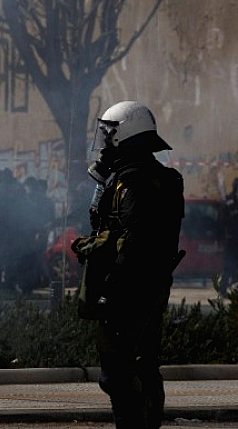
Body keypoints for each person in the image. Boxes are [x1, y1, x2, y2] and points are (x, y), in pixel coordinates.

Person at [81, 101, 184, 429]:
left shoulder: (134, 181)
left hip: (130, 288)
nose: (104, 141)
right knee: (143, 365)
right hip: (151, 284)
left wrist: (109, 290)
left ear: (124, 134)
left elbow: (135, 242)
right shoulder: (159, 177)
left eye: (108, 133)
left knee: (118, 374)